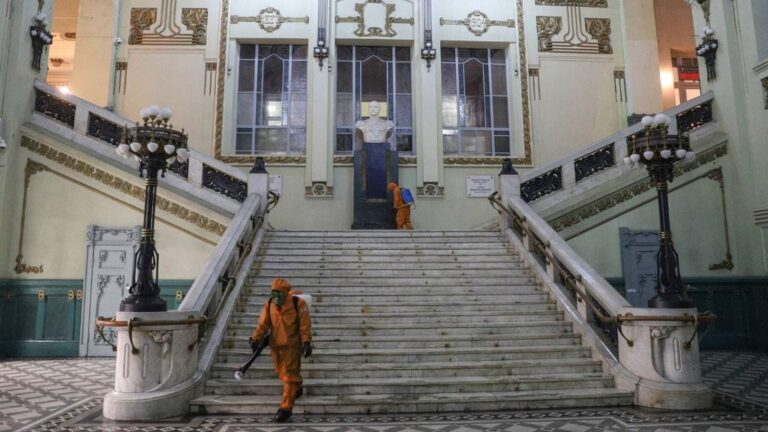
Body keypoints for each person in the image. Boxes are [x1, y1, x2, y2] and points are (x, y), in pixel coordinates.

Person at [249, 278, 312, 422]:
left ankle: (285, 408)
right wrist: (256, 338)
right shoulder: (269, 305)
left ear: (285, 294)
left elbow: (304, 324)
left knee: (289, 376)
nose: (276, 298)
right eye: (274, 294)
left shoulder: (298, 304)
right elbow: (263, 324)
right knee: (282, 373)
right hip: (275, 346)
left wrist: (306, 341)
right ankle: (298, 386)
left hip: (292, 346)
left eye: (279, 294)